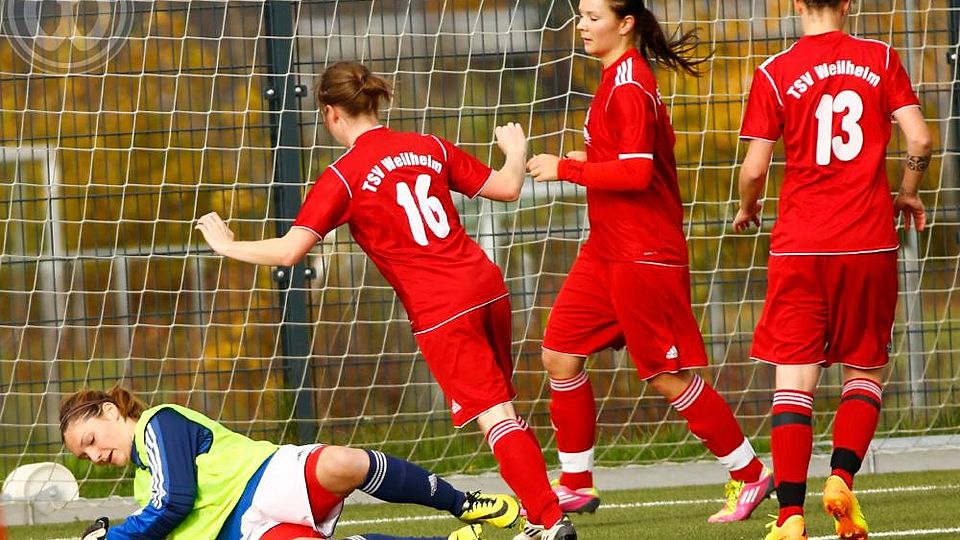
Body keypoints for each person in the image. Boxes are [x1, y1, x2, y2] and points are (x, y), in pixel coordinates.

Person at [195, 62, 575, 540]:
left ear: (331, 113)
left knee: (494, 414)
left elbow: (290, 250)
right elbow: (508, 187)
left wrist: (229, 247)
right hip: (486, 284)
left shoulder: (344, 175)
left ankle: (549, 520)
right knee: (502, 410)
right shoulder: (429, 146)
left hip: (442, 307)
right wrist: (516, 152)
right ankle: (540, 514)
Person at [525, 0, 773, 523]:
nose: (583, 25)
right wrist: (588, 161)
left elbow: (637, 174)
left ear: (625, 24)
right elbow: (629, 160)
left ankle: (749, 473)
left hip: (643, 252)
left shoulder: (630, 84)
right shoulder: (614, 79)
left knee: (664, 375)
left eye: (594, 17)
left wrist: (567, 168)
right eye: (581, 15)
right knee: (560, 353)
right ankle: (576, 483)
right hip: (606, 249)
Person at [733, 0, 931, 538]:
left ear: (797, 3)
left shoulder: (774, 72)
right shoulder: (881, 57)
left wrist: (748, 206)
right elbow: (919, 138)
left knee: (794, 380)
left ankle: (790, 515)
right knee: (863, 371)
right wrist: (908, 192)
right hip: (867, 243)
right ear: (848, 3)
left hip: (800, 246)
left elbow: (754, 168)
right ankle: (841, 479)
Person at [64, 386, 520, 540]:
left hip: (266, 478)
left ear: (110, 411)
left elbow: (175, 501)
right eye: (86, 456)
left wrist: (113, 537)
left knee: (343, 462)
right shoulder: (141, 490)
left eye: (90, 440)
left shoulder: (158, 423)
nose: (95, 456)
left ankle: (462, 503)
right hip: (245, 533)